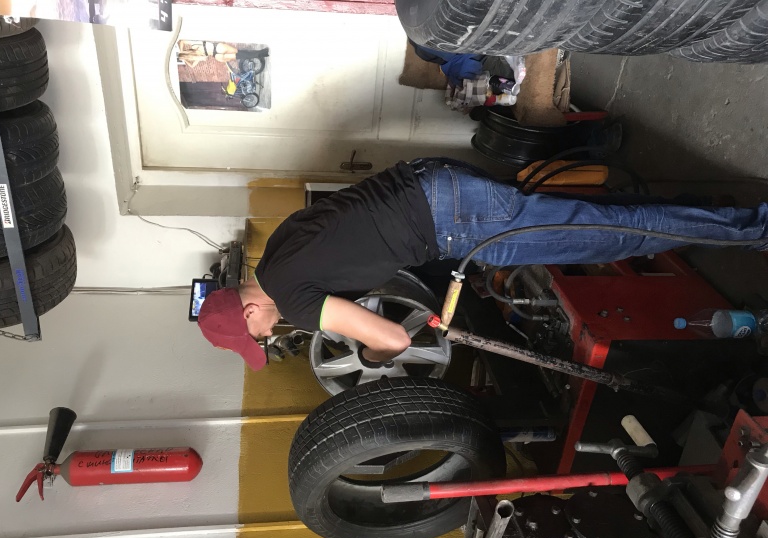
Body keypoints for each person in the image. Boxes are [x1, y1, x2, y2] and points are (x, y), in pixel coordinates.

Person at [197, 158, 768, 371]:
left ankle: (751, 228)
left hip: (456, 222)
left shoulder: (296, 303)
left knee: (606, 236)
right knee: (595, 220)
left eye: (257, 336)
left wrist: (370, 357)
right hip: (432, 181)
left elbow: (393, 338)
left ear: (248, 312)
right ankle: (710, 213)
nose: (269, 337)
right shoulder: (279, 246)